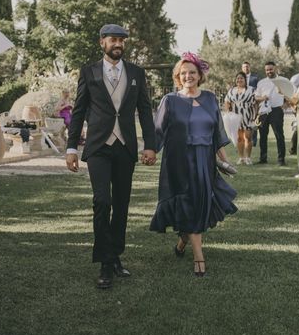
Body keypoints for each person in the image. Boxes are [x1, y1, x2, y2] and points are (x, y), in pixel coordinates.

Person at [66, 24, 156, 289]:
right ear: (102, 42)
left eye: (121, 40)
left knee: (121, 203)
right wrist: (72, 147)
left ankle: (115, 254)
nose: (118, 44)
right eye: (113, 39)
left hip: (125, 146)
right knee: (102, 201)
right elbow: (79, 111)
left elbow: (146, 111)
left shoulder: (137, 73)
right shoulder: (89, 72)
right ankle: (105, 262)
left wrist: (150, 145)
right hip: (98, 147)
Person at [150, 53, 237, 277]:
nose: (188, 76)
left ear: (199, 75)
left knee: (200, 203)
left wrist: (225, 161)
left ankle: (182, 243)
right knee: (189, 201)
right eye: (183, 73)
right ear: (178, 77)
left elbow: (217, 133)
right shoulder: (170, 100)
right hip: (179, 161)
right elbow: (158, 131)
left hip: (205, 160)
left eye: (192, 72)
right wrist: (150, 152)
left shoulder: (209, 99)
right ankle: (199, 257)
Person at [255, 61, 287, 166]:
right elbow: (256, 97)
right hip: (263, 111)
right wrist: (263, 98)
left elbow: (290, 94)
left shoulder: (283, 80)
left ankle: (281, 159)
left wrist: (285, 105)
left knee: (279, 135)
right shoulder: (261, 82)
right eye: (267, 70)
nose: (269, 71)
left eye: (271, 69)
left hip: (276, 110)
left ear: (275, 68)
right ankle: (263, 158)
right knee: (263, 136)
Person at [224, 72, 256, 165]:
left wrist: (255, 116)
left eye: (241, 78)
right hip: (235, 118)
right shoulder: (231, 90)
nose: (239, 80)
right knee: (239, 138)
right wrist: (228, 112)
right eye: (237, 78)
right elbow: (227, 102)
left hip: (248, 116)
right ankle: (241, 157)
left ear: (245, 80)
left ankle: (248, 158)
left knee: (248, 137)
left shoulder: (251, 90)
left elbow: (255, 104)